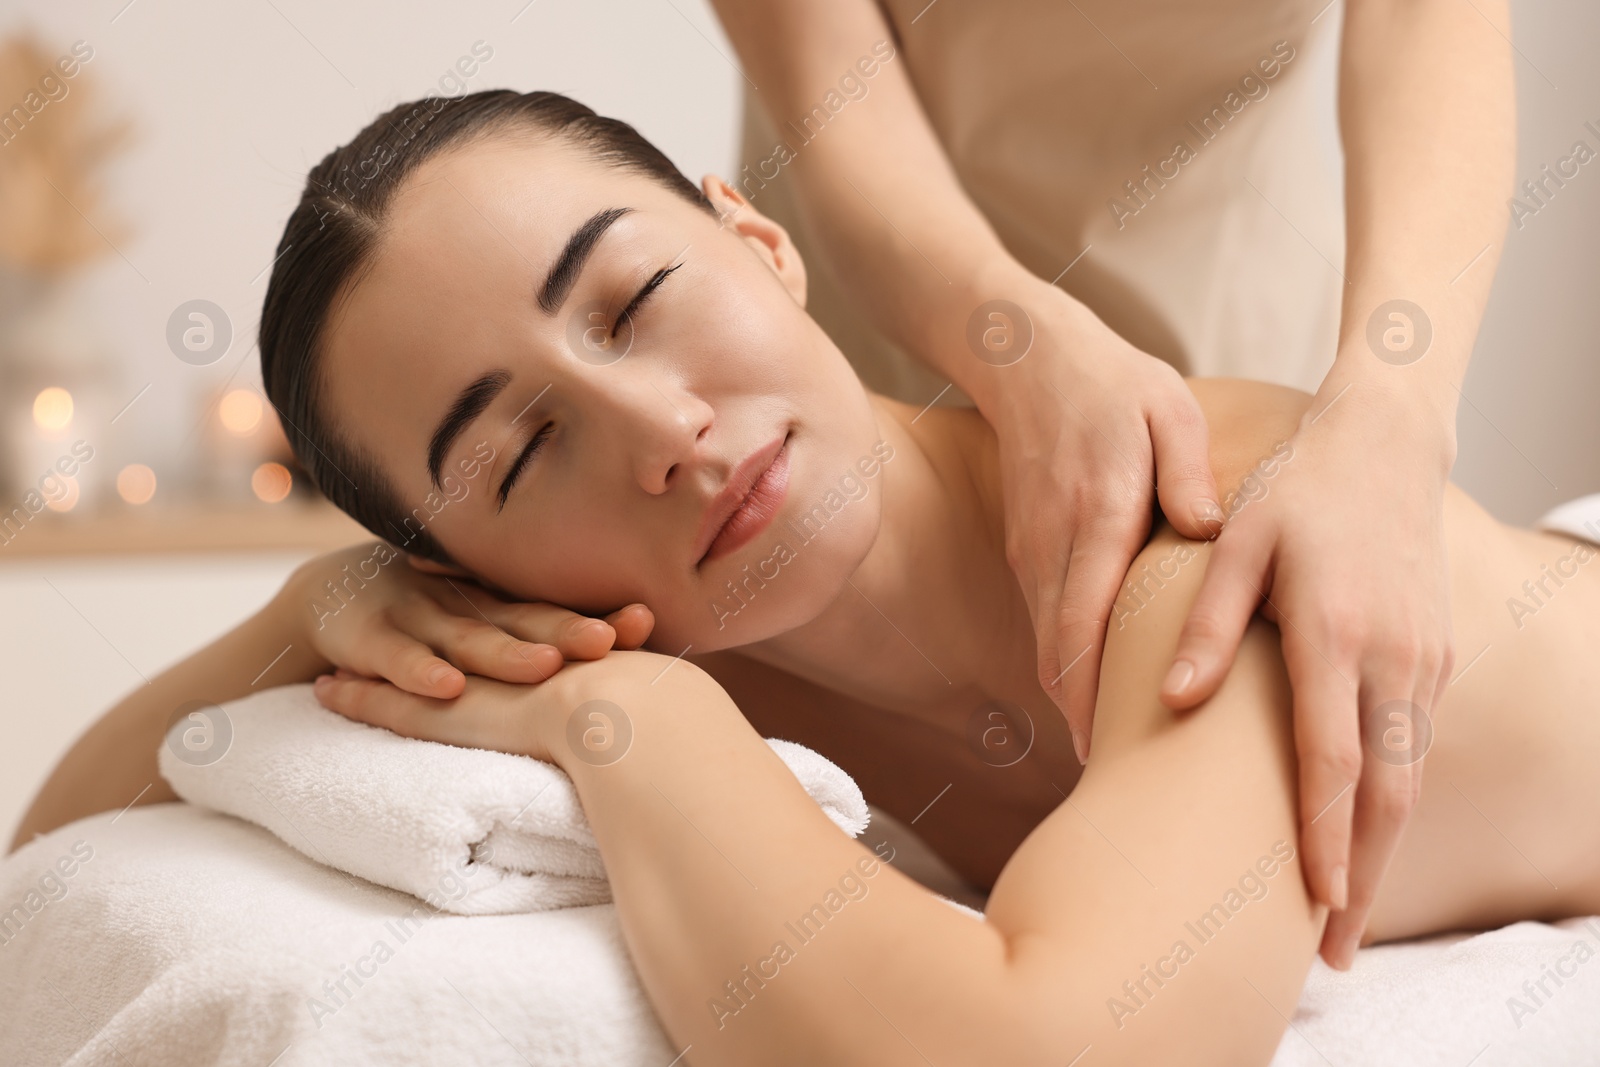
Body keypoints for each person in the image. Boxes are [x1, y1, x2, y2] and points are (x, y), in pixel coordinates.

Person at [13, 92, 1591, 1064]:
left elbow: (1058, 1051)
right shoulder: (681, 632)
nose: (665, 433)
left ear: (759, 240)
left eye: (636, 299)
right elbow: (62, 870)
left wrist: (630, 728)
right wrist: (308, 610)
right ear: (460, 563)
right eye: (520, 452)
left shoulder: (1202, 530)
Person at [707, 0, 1517, 967]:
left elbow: (1432, 26)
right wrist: (1009, 346)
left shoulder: (1206, 547)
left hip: (1228, 405)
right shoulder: (700, 610)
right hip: (895, 359)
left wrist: (1393, 415)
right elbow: (833, 88)